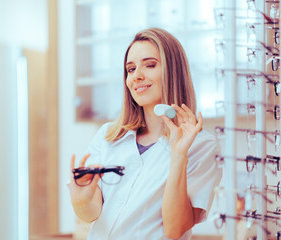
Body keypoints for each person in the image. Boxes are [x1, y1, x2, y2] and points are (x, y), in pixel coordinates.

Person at [67, 27, 222, 240]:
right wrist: (81, 199)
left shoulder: (201, 145)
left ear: (173, 71)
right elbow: (90, 214)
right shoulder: (108, 136)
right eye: (130, 69)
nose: (137, 76)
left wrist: (178, 156)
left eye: (150, 65)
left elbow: (175, 229)